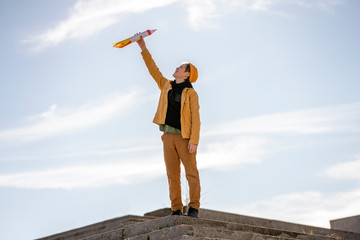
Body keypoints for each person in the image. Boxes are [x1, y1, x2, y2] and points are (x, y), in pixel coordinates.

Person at [136, 34, 201, 218]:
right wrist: (143, 47)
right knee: (172, 175)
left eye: (181, 67)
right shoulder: (166, 85)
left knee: (191, 174)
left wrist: (194, 140)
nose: (177, 68)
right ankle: (176, 210)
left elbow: (196, 119)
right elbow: (153, 70)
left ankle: (194, 207)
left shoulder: (191, 94)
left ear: (187, 74)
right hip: (168, 137)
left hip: (185, 138)